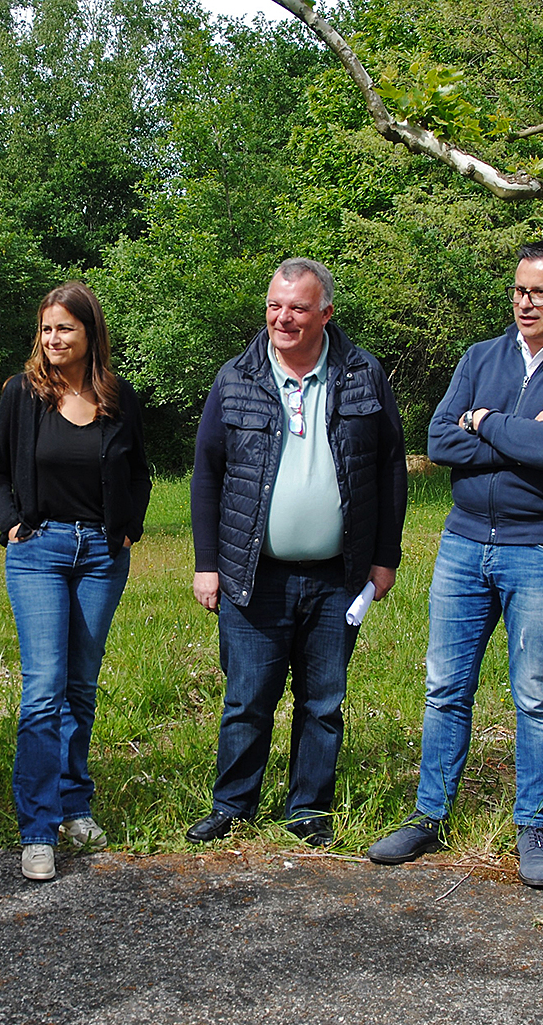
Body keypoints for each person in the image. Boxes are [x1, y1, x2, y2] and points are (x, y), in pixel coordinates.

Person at [368, 240, 543, 889]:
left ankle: (532, 824)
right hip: (462, 544)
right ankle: (429, 815)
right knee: (445, 688)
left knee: (535, 696)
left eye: (542, 292)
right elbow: (439, 438)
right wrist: (518, 428)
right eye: (519, 290)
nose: (526, 302)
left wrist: (485, 420)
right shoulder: (481, 356)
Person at [186, 257, 406, 848]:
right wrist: (207, 564)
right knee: (246, 701)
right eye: (275, 305)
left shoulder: (363, 375)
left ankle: (309, 808)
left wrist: (386, 558)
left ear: (325, 314)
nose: (283, 318)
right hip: (253, 574)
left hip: (340, 575)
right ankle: (233, 805)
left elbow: (390, 470)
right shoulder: (237, 378)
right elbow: (207, 475)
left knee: (323, 703)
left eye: (298, 308)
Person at [0, 281, 151, 881]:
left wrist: (128, 526)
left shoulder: (117, 396)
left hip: (102, 554)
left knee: (80, 685)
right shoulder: (21, 394)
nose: (54, 339)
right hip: (39, 551)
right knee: (44, 688)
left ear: (89, 335)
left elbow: (138, 471)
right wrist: (9, 525)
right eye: (47, 328)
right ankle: (37, 827)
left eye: (66, 329)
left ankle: (75, 803)